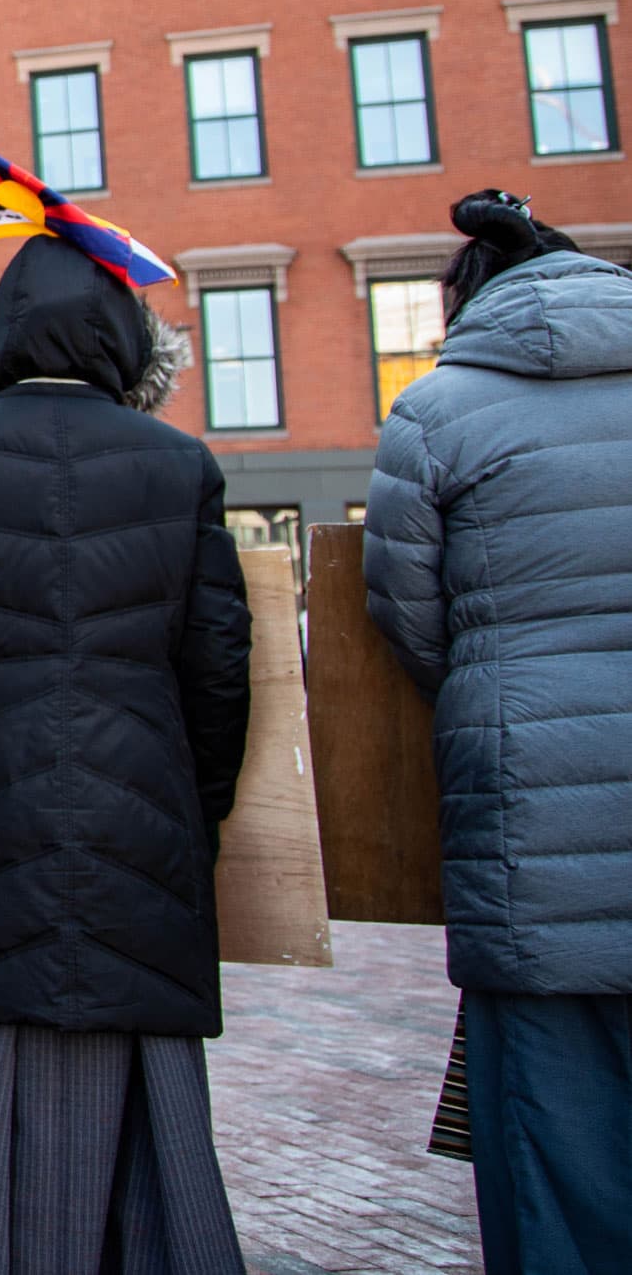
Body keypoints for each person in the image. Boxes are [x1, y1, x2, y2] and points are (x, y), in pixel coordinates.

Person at [0, 235, 251, 1275]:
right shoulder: (181, 461)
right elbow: (219, 665)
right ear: (121, 340)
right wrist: (197, 805)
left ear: (4, 336)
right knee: (138, 1055)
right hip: (142, 797)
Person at [363, 191, 632, 1275]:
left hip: (524, 796)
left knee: (549, 1131)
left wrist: (493, 681)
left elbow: (404, 613)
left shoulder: (434, 411)